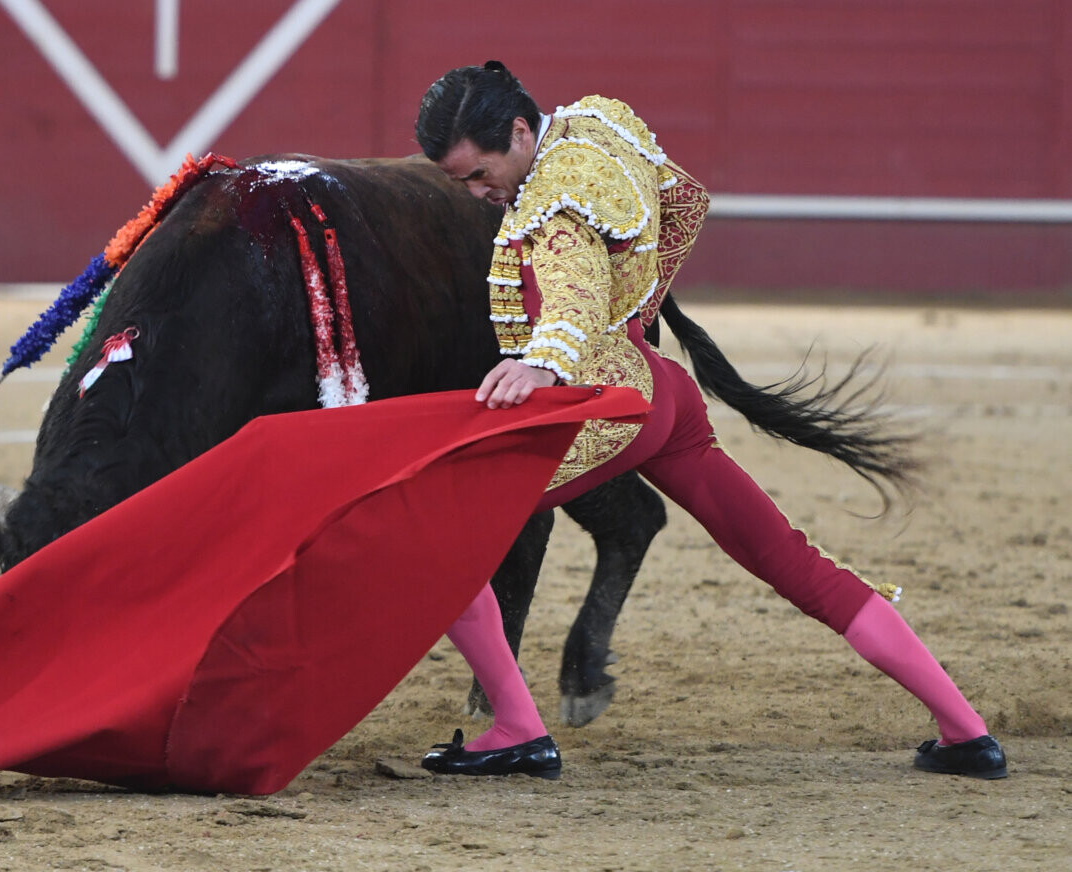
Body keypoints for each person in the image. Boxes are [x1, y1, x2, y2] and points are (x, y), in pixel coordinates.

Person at [412, 61, 1007, 781]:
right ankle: (966, 732)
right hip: (664, 391)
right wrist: (632, 314)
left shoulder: (554, 199)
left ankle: (514, 728)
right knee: (790, 559)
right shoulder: (595, 126)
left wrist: (548, 361)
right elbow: (687, 201)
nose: (479, 194)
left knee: (434, 529)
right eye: (463, 184)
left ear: (516, 132)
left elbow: (567, 301)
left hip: (606, 407)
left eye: (479, 174)